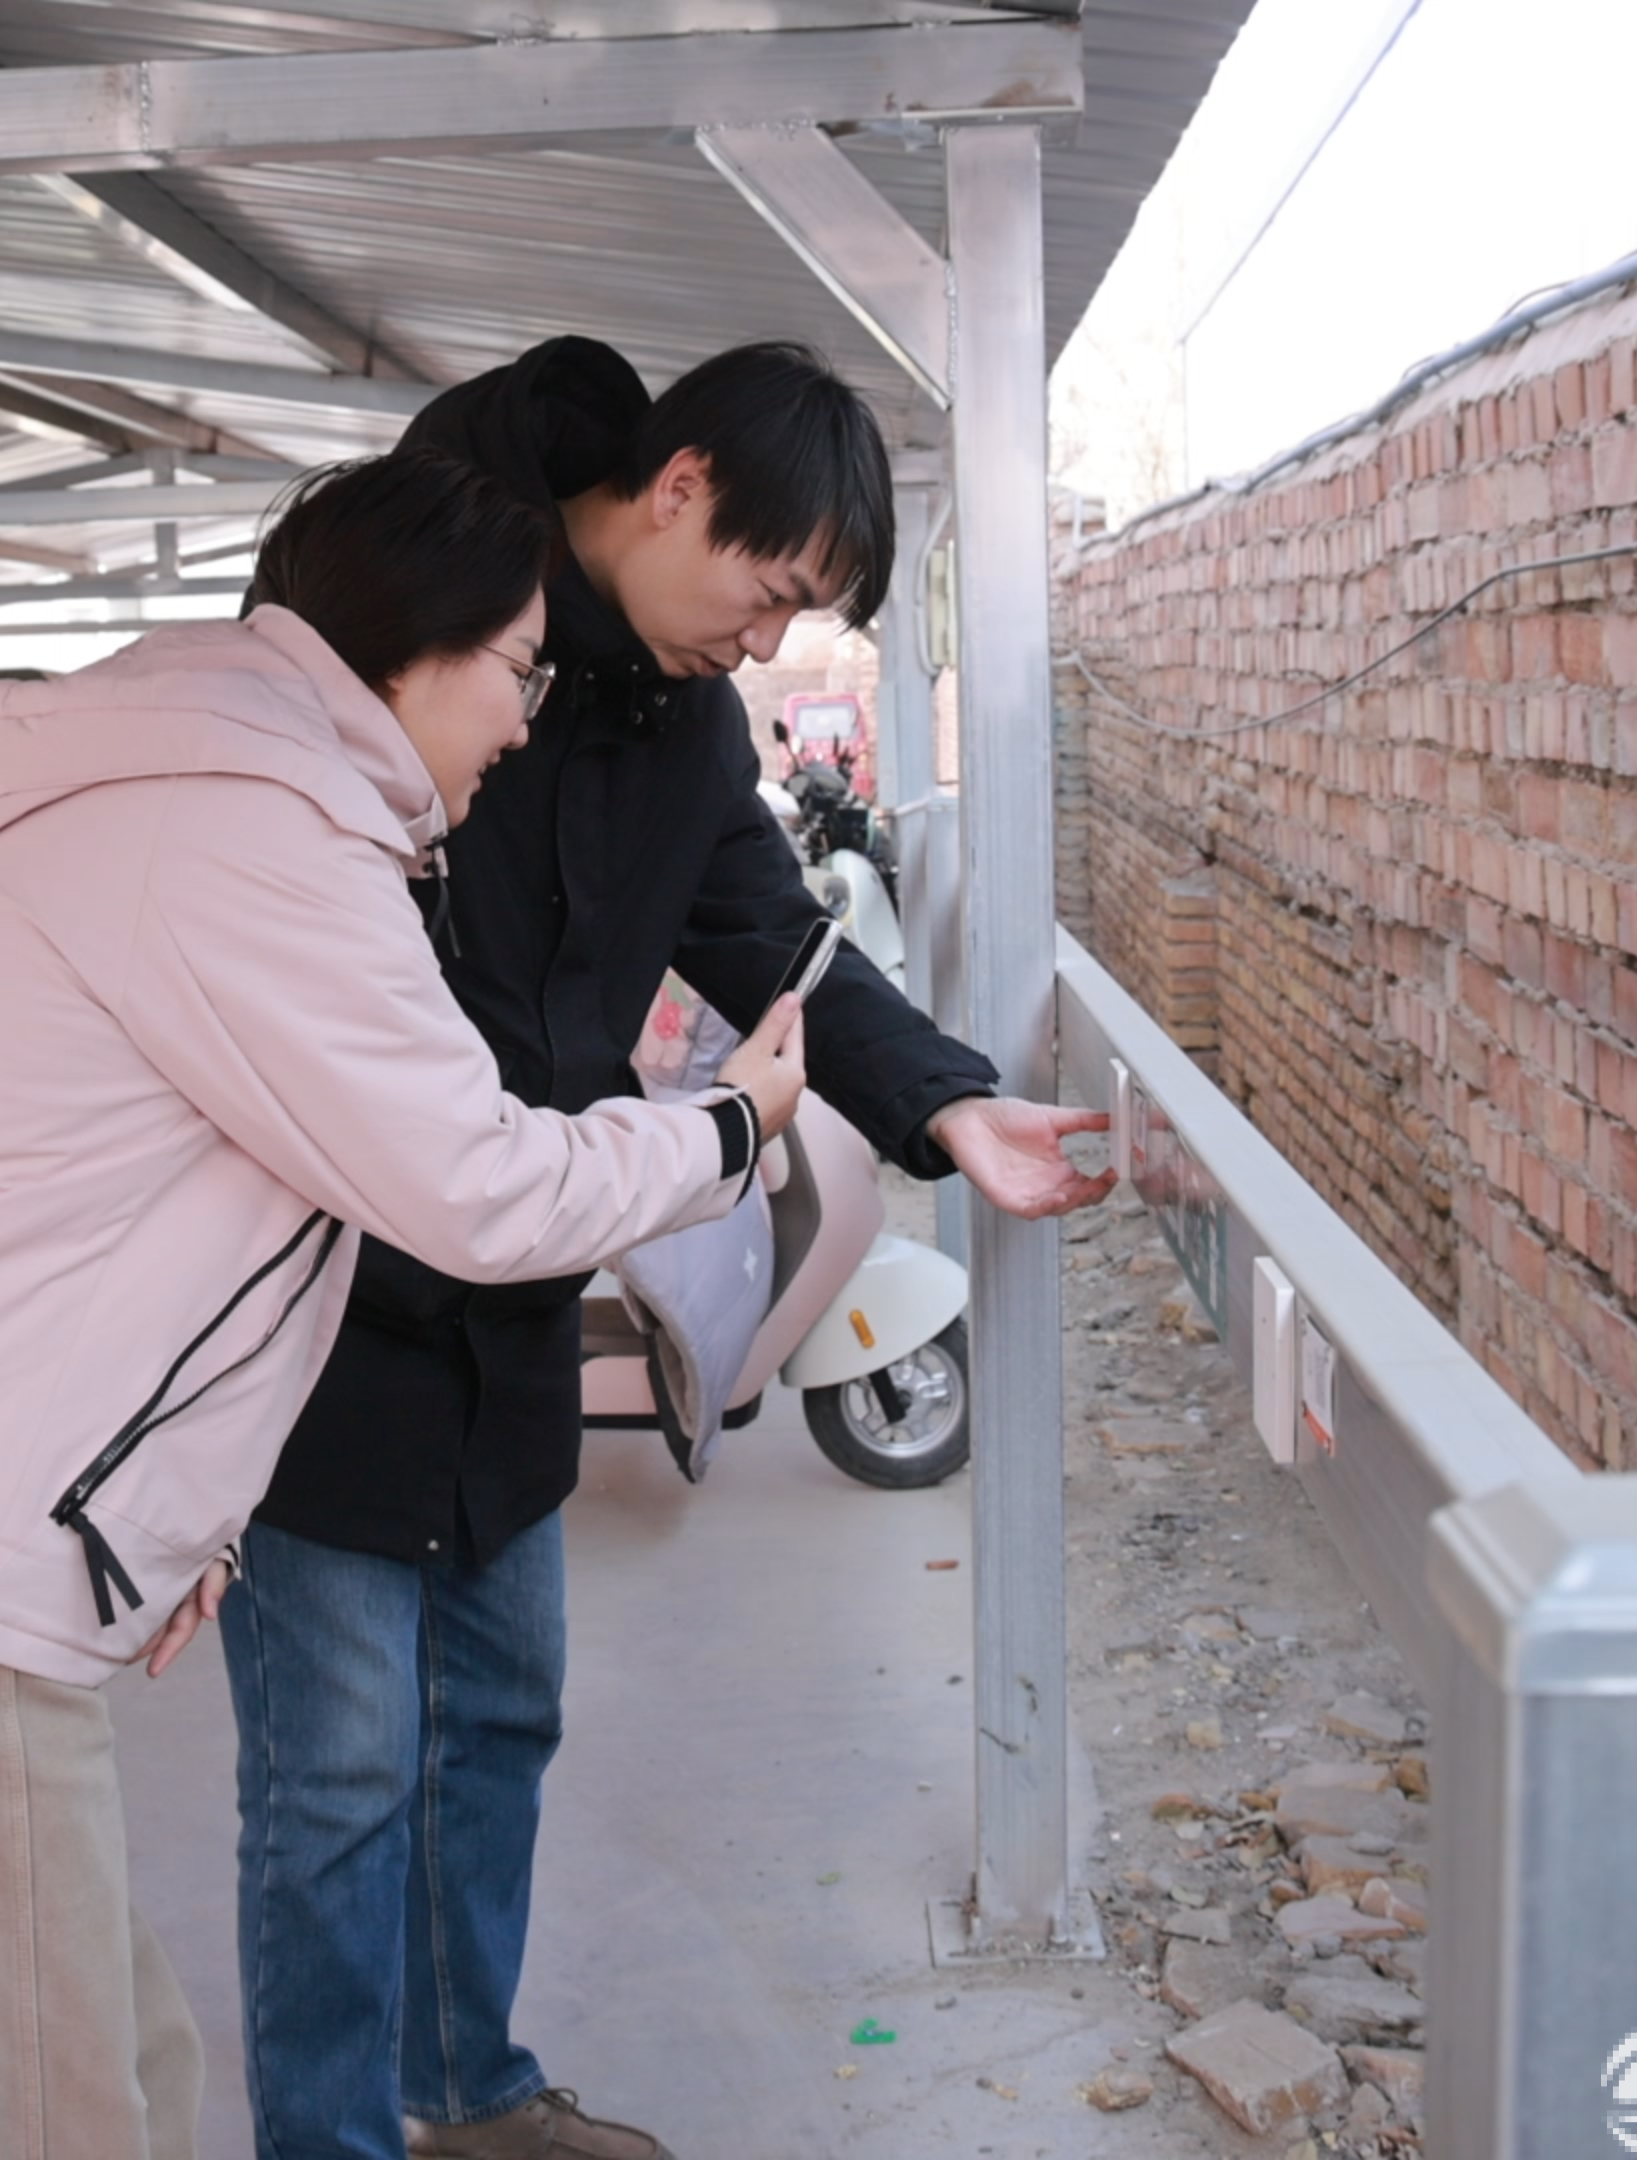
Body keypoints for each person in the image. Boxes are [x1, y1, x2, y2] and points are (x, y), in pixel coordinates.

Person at [0, 450, 813, 2160]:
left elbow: (176, 1226)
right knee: (6, 2113)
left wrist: (176, 1511)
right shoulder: (245, 834)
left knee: (83, 2068)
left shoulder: (207, 794)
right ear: (409, 654)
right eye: (517, 672)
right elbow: (477, 1187)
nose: (524, 725)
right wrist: (728, 1130)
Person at [223, 339, 1114, 2160]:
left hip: (524, 1283)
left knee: (500, 1719)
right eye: (768, 592)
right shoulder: (398, 619)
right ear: (679, 486)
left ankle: (468, 2093)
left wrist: (946, 1105)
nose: (771, 645)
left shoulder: (685, 723)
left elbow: (774, 941)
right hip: (319, 1301)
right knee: (336, 1777)